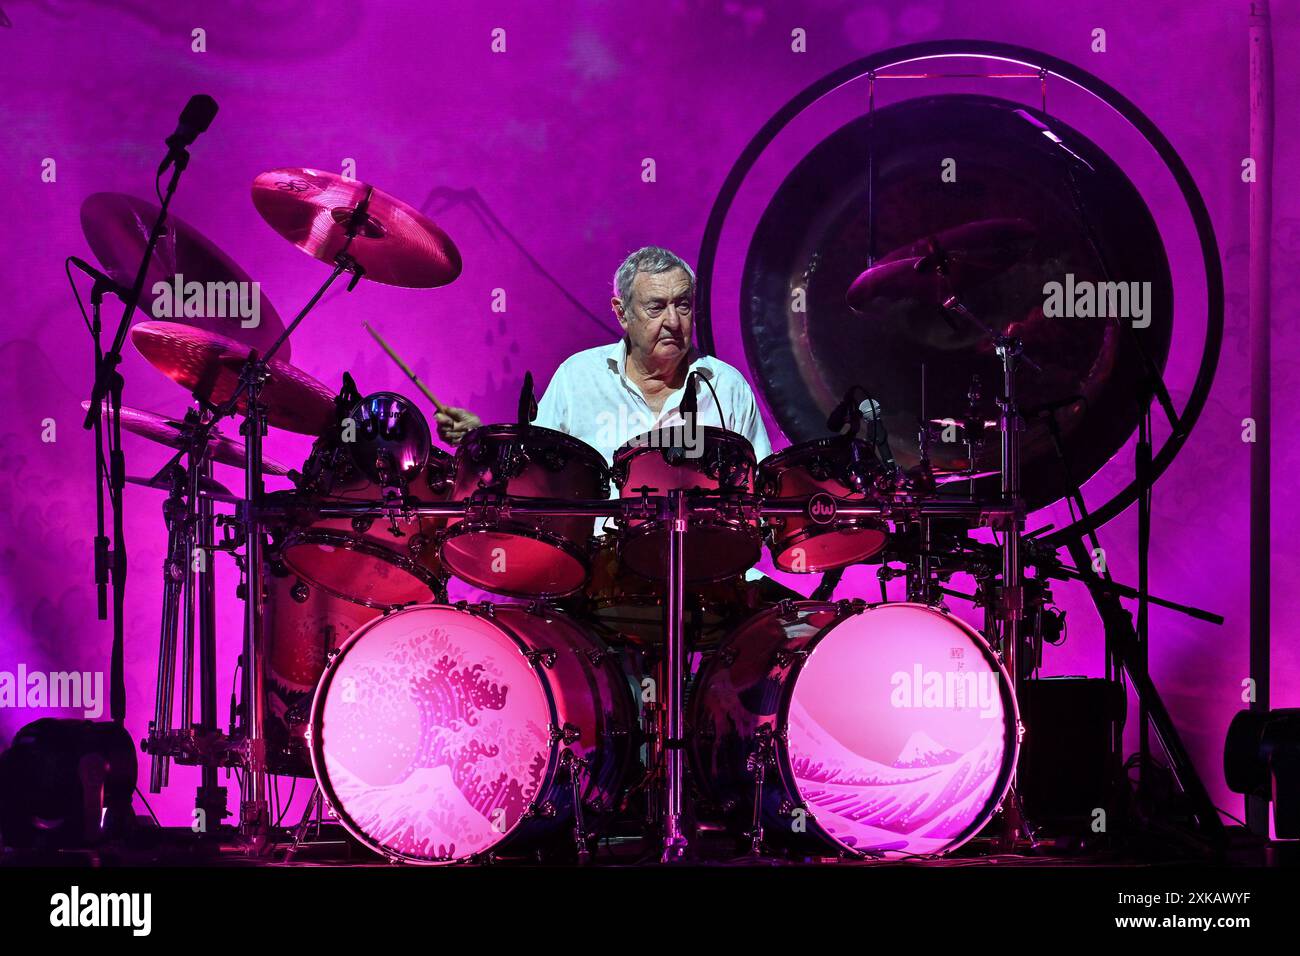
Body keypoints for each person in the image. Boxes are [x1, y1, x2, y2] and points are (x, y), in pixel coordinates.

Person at [435, 246, 772, 468]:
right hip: (599, 565)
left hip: (701, 566)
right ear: (622, 312)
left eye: (682, 304)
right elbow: (530, 468)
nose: (673, 321)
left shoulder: (726, 386)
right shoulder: (578, 377)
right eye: (656, 307)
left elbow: (763, 492)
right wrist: (483, 440)